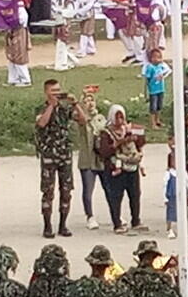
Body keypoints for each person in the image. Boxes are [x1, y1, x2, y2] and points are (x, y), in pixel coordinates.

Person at [34, 79, 87, 239]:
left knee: (66, 190)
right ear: (46, 92)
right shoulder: (41, 108)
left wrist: (75, 103)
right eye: (53, 91)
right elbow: (42, 123)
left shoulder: (65, 109)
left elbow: (83, 120)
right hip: (49, 154)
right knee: (48, 191)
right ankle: (47, 225)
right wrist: (51, 105)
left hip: (64, 154)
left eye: (58, 90)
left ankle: (63, 224)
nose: (56, 93)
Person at [97, 104, 148, 233]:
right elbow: (103, 152)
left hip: (131, 167)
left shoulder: (128, 129)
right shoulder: (105, 132)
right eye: (117, 117)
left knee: (135, 194)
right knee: (116, 196)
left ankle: (136, 220)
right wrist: (118, 143)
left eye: (121, 117)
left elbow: (141, 142)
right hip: (115, 168)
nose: (119, 120)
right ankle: (117, 223)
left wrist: (136, 134)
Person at [143, 46, 169, 130]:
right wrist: (147, 90)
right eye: (155, 57)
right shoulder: (150, 67)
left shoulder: (161, 66)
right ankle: (153, 123)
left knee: (159, 106)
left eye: (159, 57)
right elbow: (147, 79)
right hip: (153, 90)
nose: (157, 59)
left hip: (160, 89)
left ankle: (158, 120)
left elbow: (165, 73)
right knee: (153, 107)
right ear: (151, 58)